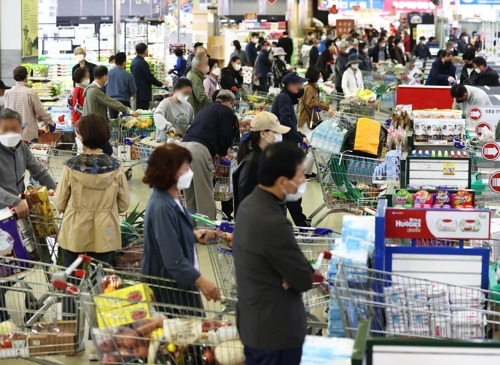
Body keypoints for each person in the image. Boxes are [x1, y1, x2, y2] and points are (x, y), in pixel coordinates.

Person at [233, 142, 314, 365]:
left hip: (253, 323)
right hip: (276, 333)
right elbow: (304, 277)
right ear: (282, 181)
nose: (303, 181)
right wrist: (294, 275)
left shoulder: (249, 205)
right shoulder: (272, 221)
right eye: (300, 175)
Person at [56, 114, 130, 350]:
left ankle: (71, 341)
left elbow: (59, 202)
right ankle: (100, 344)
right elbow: (124, 204)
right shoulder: (116, 166)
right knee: (101, 287)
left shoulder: (70, 166)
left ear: (83, 136)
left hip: (74, 232)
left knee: (71, 286)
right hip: (105, 234)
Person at [141, 143, 220, 309]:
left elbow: (169, 235)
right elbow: (172, 258)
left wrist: (193, 235)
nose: (190, 173)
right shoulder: (162, 207)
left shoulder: (172, 198)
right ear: (169, 172)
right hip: (170, 288)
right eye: (186, 168)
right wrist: (202, 281)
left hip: (179, 282)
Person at [0, 108, 57, 322]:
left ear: (22, 129)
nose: (9, 133)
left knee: (20, 260)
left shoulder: (23, 149)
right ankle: (3, 319)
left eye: (14, 129)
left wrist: (57, 190)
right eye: (4, 129)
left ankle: (27, 300)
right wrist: (15, 200)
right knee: (6, 265)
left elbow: (38, 171)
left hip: (16, 214)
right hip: (3, 213)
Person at [180, 90, 238, 220]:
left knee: (190, 193)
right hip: (198, 150)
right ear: (229, 102)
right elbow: (225, 135)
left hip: (182, 148)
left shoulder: (205, 110)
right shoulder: (226, 111)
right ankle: (207, 231)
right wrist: (223, 153)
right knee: (204, 193)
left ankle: (192, 228)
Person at [271, 72, 309, 227]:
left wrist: (298, 134)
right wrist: (299, 138)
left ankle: (300, 220)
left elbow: (289, 124)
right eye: (299, 84)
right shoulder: (284, 98)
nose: (301, 87)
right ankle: (301, 223)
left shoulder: (286, 98)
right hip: (283, 150)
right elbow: (286, 121)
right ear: (291, 85)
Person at [233, 112, 290, 214]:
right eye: (276, 132)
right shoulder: (252, 164)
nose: (280, 136)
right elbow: (247, 202)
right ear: (263, 134)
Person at [83, 66, 139, 155]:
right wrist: (130, 111)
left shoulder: (91, 89)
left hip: (92, 126)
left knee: (100, 151)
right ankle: (103, 167)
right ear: (105, 76)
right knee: (107, 151)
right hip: (95, 128)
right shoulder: (95, 91)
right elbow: (111, 102)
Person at [299, 67, 334, 178]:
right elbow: (312, 102)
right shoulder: (309, 88)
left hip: (310, 120)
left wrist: (328, 106)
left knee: (309, 148)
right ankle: (304, 173)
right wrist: (326, 108)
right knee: (311, 148)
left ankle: (306, 172)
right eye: (319, 75)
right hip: (307, 120)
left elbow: (317, 101)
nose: (321, 78)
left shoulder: (313, 87)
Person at [5, 66, 55, 142]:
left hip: (12, 134)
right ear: (26, 77)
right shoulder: (30, 92)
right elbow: (41, 112)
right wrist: (51, 123)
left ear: (13, 77)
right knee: (29, 153)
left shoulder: (8, 92)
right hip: (28, 134)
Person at [131, 43, 166, 110]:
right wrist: (161, 84)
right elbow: (149, 77)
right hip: (143, 92)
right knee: (143, 112)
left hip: (137, 91)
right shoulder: (142, 63)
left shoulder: (134, 61)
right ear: (145, 51)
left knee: (139, 111)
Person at [106, 52, 137, 119]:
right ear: (124, 62)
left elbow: (103, 87)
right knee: (126, 123)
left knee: (113, 122)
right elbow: (133, 91)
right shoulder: (128, 75)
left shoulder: (108, 74)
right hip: (124, 102)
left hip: (111, 102)